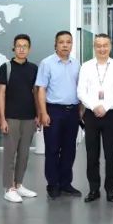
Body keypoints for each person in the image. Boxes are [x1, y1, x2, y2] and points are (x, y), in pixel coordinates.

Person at [77, 34, 113, 202]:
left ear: (110, 46)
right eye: (98, 45)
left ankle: (110, 190)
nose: (102, 49)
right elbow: (81, 91)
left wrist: (105, 107)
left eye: (105, 45)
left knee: (110, 155)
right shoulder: (86, 66)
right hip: (91, 115)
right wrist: (94, 106)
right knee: (92, 155)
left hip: (110, 114)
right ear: (94, 47)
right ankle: (93, 189)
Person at [36, 30, 82, 199]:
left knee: (69, 149)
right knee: (53, 149)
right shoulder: (47, 63)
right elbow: (41, 89)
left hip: (73, 111)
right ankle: (53, 184)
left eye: (68, 42)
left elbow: (79, 88)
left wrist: (81, 110)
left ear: (72, 44)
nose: (65, 45)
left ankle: (66, 183)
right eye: (61, 42)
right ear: (55, 44)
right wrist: (43, 113)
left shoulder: (76, 64)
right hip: (53, 111)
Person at [0, 34, 40, 203]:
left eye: (25, 46)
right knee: (10, 154)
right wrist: (2, 118)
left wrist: (38, 114)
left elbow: (35, 93)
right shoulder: (6, 67)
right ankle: (9, 188)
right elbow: (1, 94)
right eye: (19, 46)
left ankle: (19, 184)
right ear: (14, 48)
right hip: (11, 117)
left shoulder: (34, 68)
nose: (21, 49)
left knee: (24, 154)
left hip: (29, 118)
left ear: (29, 49)